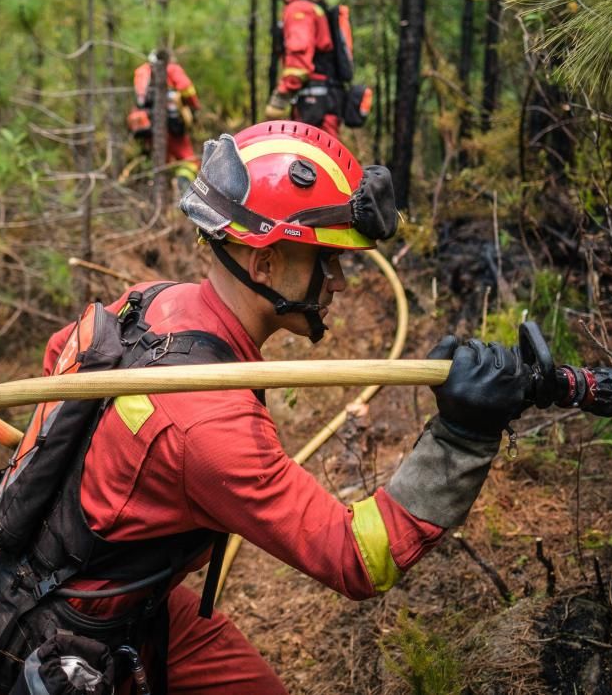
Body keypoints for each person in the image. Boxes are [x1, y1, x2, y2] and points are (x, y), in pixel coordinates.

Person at [32, 122, 530, 694]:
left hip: (106, 592)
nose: (339, 281)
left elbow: (57, 357)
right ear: (263, 263)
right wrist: (461, 439)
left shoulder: (150, 301)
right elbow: (357, 558)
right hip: (81, 642)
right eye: (325, 259)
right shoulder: (210, 426)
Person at [264, 0, 350, 137]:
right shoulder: (313, 5)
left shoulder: (299, 9)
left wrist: (281, 96)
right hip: (322, 101)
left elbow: (299, 63)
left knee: (315, 164)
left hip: (315, 105)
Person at [128, 49, 199, 188]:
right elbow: (186, 88)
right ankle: (183, 187)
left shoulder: (141, 72)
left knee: (159, 160)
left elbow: (139, 99)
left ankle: (156, 190)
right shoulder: (172, 69)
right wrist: (193, 106)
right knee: (189, 160)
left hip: (146, 125)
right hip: (170, 125)